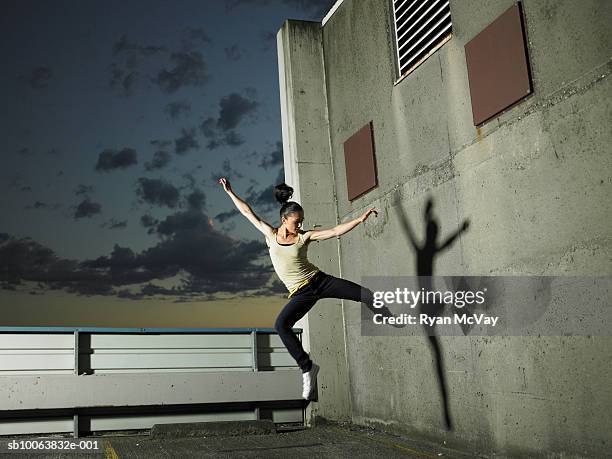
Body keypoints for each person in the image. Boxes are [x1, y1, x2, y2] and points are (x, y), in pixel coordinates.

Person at [218, 177, 399, 400]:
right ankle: (307, 368)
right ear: (284, 220)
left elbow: (334, 232)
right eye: (296, 222)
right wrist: (230, 192)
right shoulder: (271, 235)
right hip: (301, 294)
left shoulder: (304, 237)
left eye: (301, 221)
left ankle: (389, 318)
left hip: (319, 281)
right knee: (281, 325)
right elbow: (247, 212)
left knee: (364, 294)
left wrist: (360, 220)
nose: (300, 226)